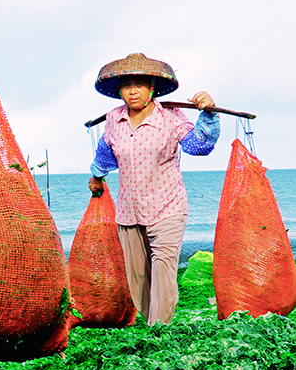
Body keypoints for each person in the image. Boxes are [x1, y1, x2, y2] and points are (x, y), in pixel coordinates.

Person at [85, 54, 219, 325]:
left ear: (152, 89)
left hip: (167, 207)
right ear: (120, 91)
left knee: (163, 268)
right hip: (129, 210)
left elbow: (198, 147)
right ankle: (150, 323)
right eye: (126, 85)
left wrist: (208, 113)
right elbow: (105, 152)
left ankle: (160, 329)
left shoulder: (170, 116)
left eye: (139, 84)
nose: (132, 91)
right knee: (138, 276)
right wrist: (97, 176)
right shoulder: (113, 120)